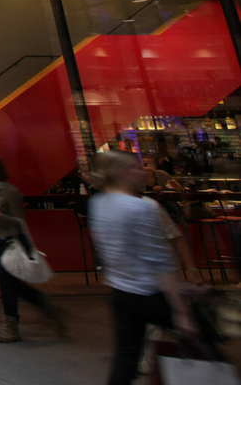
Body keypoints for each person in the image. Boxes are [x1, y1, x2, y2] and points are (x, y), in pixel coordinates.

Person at [88, 150, 196, 383]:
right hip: (150, 293)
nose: (143, 172)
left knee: (126, 357)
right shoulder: (142, 207)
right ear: (123, 173)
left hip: (121, 293)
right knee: (204, 338)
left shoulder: (98, 203)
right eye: (138, 167)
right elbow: (159, 261)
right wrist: (181, 309)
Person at [0, 154, 69, 342]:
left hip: (8, 243)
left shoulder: (10, 192)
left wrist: (0, 217)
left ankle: (11, 326)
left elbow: (19, 222)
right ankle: (46, 305)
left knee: (7, 284)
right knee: (9, 282)